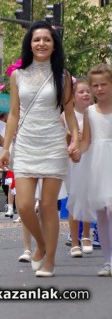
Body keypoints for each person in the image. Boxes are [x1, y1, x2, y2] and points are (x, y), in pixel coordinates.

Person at [0, 21, 79, 278]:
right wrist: (6, 148)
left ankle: (50, 260)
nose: (41, 43)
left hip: (53, 143)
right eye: (36, 40)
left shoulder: (63, 76)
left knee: (47, 205)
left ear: (54, 45)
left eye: (46, 39)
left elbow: (69, 113)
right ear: (29, 45)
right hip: (25, 144)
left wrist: (75, 138)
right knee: (23, 205)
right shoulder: (17, 75)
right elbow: (13, 114)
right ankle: (41, 244)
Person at [68, 64, 112, 276]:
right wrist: (77, 150)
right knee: (102, 212)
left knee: (111, 207)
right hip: (97, 164)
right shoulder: (90, 113)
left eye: (104, 84)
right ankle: (108, 260)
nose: (99, 89)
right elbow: (87, 141)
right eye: (95, 85)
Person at [63, 79, 94, 257]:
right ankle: (74, 241)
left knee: (88, 199)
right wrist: (71, 137)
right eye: (81, 91)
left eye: (88, 91)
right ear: (73, 97)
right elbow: (62, 143)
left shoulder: (95, 114)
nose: (85, 94)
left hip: (91, 160)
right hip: (73, 163)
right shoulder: (66, 116)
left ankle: (86, 235)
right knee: (74, 200)